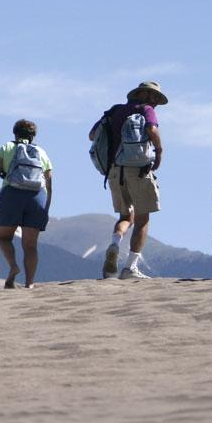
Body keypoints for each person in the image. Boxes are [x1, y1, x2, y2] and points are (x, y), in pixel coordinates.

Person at [90, 81, 167, 279]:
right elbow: (152, 129)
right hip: (139, 170)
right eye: (155, 97)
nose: (157, 102)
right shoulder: (146, 110)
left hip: (115, 171)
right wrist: (159, 152)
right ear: (146, 95)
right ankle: (130, 267)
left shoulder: (114, 111)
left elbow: (92, 135)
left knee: (126, 217)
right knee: (142, 219)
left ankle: (115, 243)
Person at [0, 119, 54, 289]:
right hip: (37, 197)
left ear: (15, 133)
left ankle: (13, 266)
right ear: (33, 136)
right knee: (30, 245)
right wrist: (46, 208)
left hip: (12, 195)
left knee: (4, 237)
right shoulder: (41, 152)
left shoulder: (7, 148)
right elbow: (50, 182)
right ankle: (29, 284)